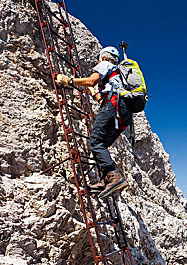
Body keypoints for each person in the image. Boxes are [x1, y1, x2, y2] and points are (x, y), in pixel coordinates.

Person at [56, 46, 131, 198]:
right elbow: (108, 97)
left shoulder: (106, 64)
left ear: (103, 57)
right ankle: (105, 180)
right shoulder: (120, 76)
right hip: (125, 112)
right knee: (101, 144)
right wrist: (96, 96)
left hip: (115, 106)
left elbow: (91, 81)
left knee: (95, 142)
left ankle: (113, 176)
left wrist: (68, 80)